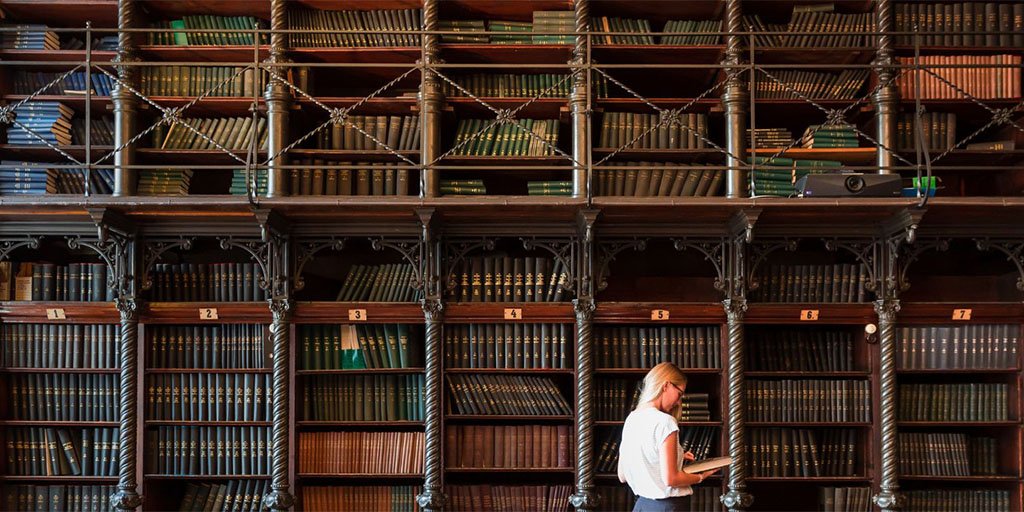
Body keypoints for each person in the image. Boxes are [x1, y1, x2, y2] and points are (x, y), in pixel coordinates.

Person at [617, 362, 718, 512]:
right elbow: (671, 479)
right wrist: (700, 477)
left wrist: (677, 456)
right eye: (679, 394)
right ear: (666, 385)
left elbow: (622, 475)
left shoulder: (632, 419)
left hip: (642, 506)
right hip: (668, 507)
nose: (678, 402)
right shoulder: (665, 422)